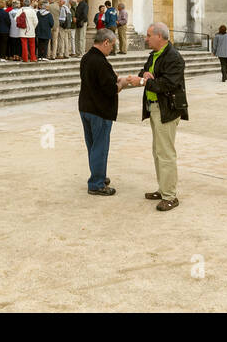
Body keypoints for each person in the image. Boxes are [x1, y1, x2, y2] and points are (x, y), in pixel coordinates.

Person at [78, 28, 145, 196]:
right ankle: (96, 183)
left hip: (86, 107)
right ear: (105, 42)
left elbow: (99, 80)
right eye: (112, 45)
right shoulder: (100, 61)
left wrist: (117, 78)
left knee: (93, 146)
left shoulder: (87, 57)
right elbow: (110, 89)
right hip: (99, 110)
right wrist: (122, 84)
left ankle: (97, 175)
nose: (112, 49)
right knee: (100, 146)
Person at [139, 23, 187, 211]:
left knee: (166, 153)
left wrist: (146, 80)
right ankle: (163, 188)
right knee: (158, 151)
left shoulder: (174, 57)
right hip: (154, 108)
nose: (146, 38)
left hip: (166, 109)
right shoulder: (154, 55)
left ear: (160, 36)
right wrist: (144, 76)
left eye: (149, 35)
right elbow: (144, 74)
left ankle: (170, 196)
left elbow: (166, 85)